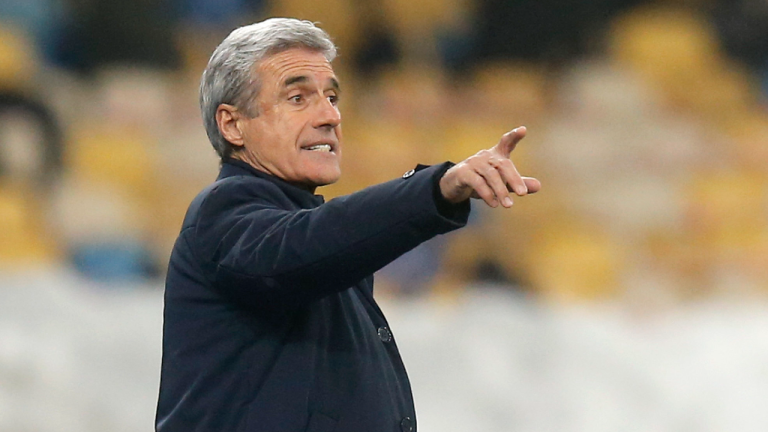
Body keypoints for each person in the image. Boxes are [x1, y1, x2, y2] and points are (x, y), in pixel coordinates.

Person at [155, 18, 540, 432]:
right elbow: (303, 246)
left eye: (332, 97)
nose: (330, 116)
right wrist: (437, 187)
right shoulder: (223, 211)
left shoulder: (321, 244)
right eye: (298, 98)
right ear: (232, 124)